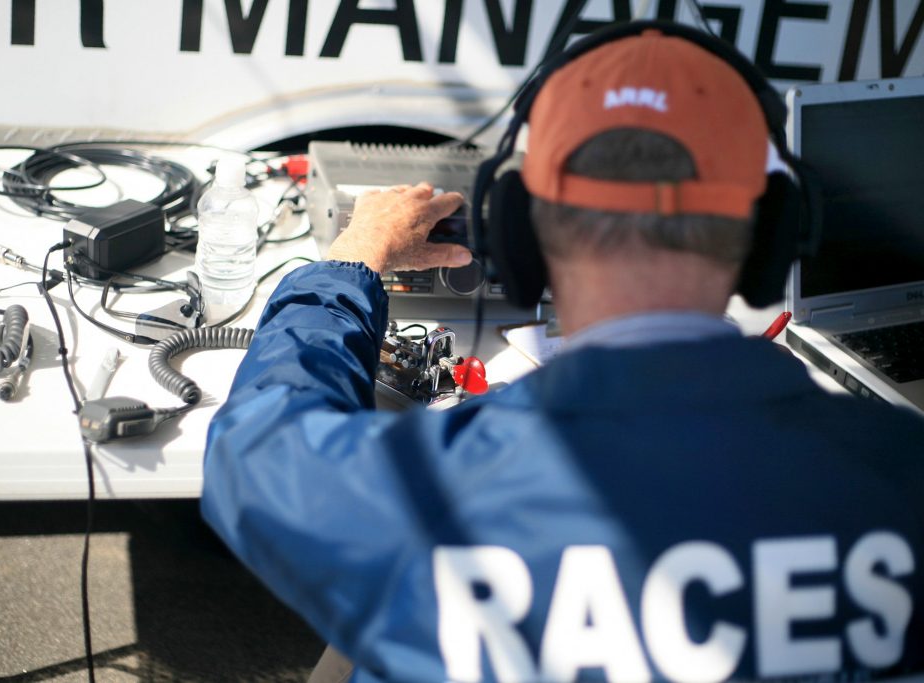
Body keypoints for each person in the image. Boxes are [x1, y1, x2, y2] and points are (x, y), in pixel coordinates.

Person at [201, 27, 924, 683]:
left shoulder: (427, 497)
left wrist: (351, 261)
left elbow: (255, 451)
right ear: (773, 238)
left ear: (518, 234)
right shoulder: (901, 480)